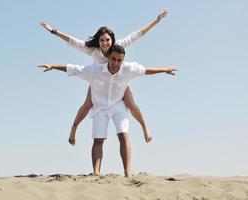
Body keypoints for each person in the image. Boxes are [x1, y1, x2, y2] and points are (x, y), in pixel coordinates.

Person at [38, 44, 177, 177]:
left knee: (124, 135)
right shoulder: (95, 70)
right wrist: (53, 66)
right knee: (98, 140)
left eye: (119, 60)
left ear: (123, 60)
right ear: (108, 57)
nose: (115, 63)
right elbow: (73, 69)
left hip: (118, 106)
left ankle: (128, 173)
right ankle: (96, 172)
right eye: (113, 59)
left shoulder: (128, 69)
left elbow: (146, 71)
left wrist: (165, 69)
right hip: (100, 107)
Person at [40, 10, 168, 145]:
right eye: (101, 40)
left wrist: (157, 20)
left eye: (107, 40)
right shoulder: (93, 50)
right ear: (98, 41)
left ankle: (144, 126)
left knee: (130, 103)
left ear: (112, 39)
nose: (105, 43)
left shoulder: (118, 46)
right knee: (88, 104)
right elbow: (73, 42)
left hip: (119, 80)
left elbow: (138, 34)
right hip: (98, 81)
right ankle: (74, 128)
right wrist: (53, 31)